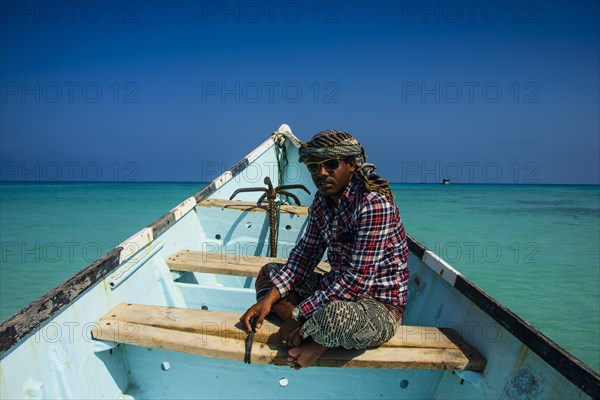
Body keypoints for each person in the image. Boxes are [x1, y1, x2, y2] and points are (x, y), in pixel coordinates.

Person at [240, 130, 409, 369]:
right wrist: (268, 299)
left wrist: (299, 313)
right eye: (313, 167)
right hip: (335, 288)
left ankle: (315, 341)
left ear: (351, 164)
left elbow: (356, 281)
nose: (321, 173)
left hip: (377, 305)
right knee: (270, 273)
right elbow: (305, 256)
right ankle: (309, 333)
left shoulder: (374, 204)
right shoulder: (322, 201)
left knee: (334, 316)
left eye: (330, 164)